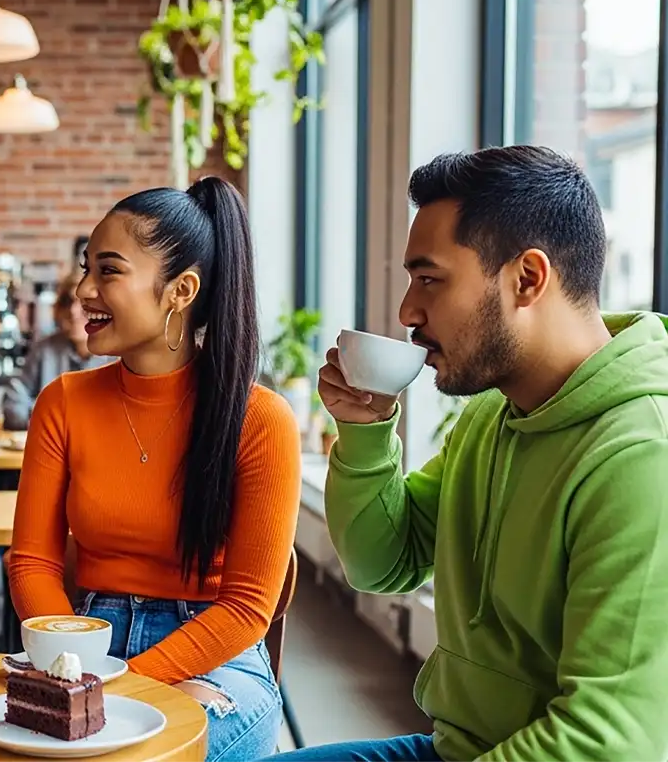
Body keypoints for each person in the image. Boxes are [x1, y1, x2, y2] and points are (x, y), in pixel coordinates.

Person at [269, 146, 668, 762]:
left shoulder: (642, 456)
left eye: (429, 279)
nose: (407, 311)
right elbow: (383, 563)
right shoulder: (492, 414)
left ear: (527, 278)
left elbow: (608, 740)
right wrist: (367, 429)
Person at [9, 180, 301, 762]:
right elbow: (32, 562)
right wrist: (73, 667)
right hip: (85, 642)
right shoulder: (62, 403)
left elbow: (246, 608)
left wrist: (128, 685)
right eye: (86, 268)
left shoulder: (261, 419)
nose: (83, 290)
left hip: (214, 656)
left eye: (109, 271)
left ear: (180, 291)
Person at [2, 269, 115, 430]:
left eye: (85, 302)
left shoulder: (120, 356)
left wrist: (47, 415)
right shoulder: (44, 348)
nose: (73, 311)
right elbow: (14, 400)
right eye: (68, 302)